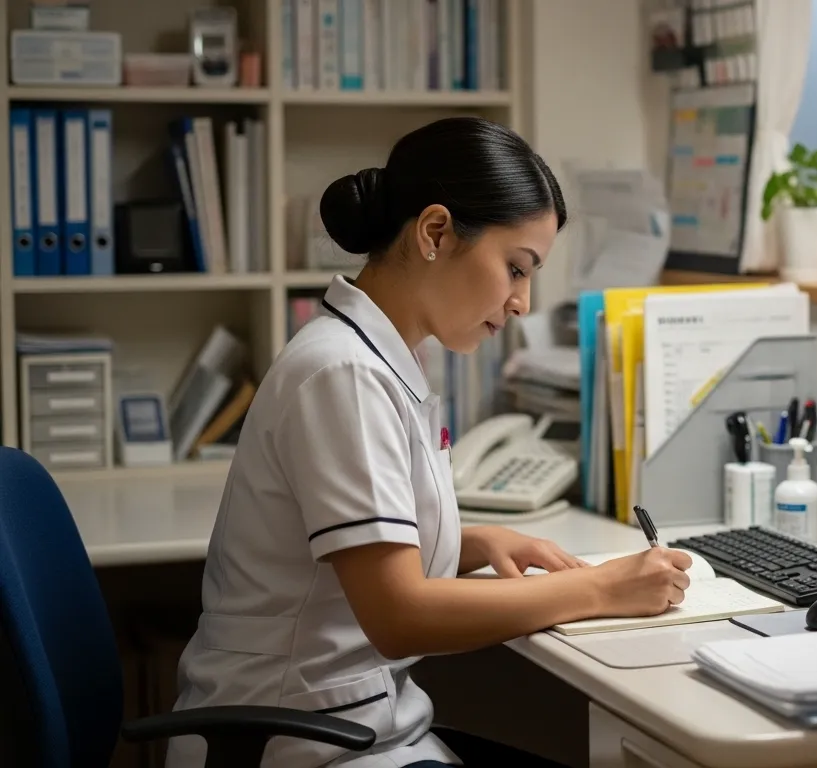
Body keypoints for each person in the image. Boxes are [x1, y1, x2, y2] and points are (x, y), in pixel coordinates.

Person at [166, 117, 693, 768]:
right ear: (435, 233)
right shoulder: (343, 372)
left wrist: (476, 542)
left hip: (353, 726)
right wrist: (604, 589)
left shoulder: (378, 356)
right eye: (516, 268)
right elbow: (401, 615)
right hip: (298, 743)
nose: (523, 302)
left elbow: (354, 550)